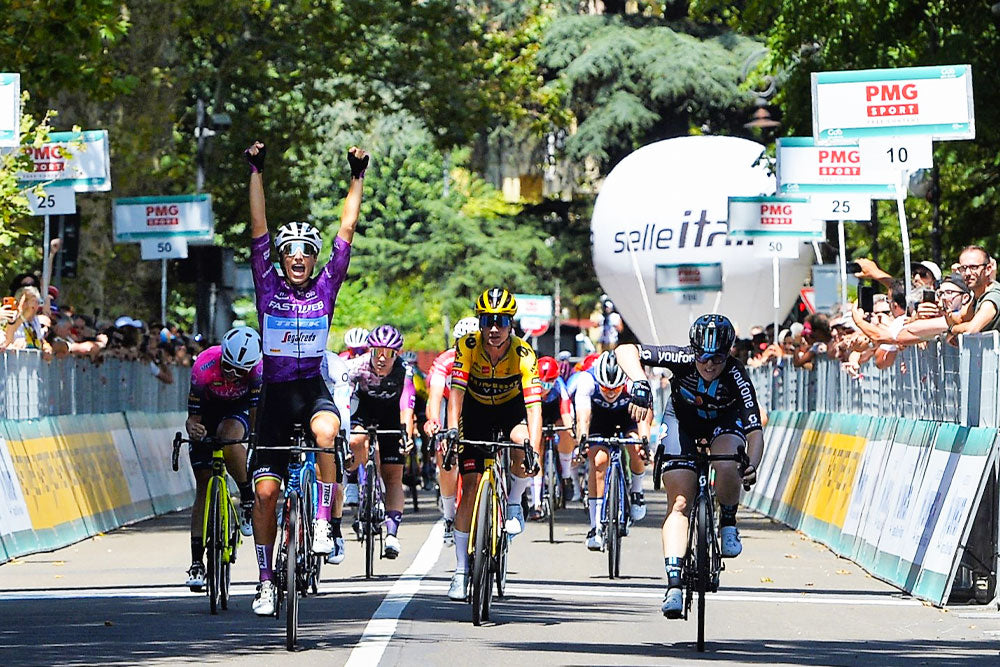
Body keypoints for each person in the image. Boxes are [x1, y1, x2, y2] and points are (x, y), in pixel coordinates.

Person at [244, 139, 368, 617]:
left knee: (327, 432)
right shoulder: (267, 284)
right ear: (282, 257)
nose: (297, 258)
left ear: (314, 260)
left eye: (305, 253)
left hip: (310, 389)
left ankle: (322, 522)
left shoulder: (326, 287)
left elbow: (348, 228)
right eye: (290, 252)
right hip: (275, 396)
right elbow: (258, 227)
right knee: (266, 494)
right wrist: (256, 170)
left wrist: (357, 176)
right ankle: (265, 581)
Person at [614, 314, 763, 618]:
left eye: (718, 358)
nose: (709, 365)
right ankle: (673, 585)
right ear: (693, 351)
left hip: (723, 424)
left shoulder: (737, 375)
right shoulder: (680, 358)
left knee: (730, 461)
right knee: (680, 500)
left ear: (729, 353)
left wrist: (752, 464)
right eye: (703, 357)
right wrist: (640, 382)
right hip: (681, 422)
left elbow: (754, 430)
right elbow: (625, 350)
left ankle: (729, 522)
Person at [442, 288, 542, 601]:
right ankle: (460, 571)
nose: (494, 329)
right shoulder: (467, 346)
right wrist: (450, 433)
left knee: (522, 447)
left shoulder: (524, 354)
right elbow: (456, 394)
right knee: (469, 489)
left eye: (501, 321)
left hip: (510, 412)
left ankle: (514, 501)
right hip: (476, 412)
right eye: (487, 321)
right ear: (480, 322)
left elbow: (534, 408)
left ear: (511, 324)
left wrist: (534, 449)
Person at [183, 326, 263, 590]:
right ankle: (196, 562)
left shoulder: (258, 372)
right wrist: (192, 427)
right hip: (208, 410)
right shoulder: (204, 364)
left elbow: (254, 417)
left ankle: (246, 496)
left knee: (229, 438)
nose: (232, 375)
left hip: (236, 412)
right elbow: (192, 417)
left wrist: (254, 444)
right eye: (228, 367)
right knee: (204, 487)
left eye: (240, 372)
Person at [344, 325, 416, 559]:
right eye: (377, 352)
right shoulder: (357, 366)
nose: (382, 358)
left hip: (391, 417)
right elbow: (342, 397)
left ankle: (392, 534)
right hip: (362, 412)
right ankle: (354, 479)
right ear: (370, 350)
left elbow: (406, 406)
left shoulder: (404, 371)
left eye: (389, 353)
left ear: (398, 353)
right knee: (357, 441)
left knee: (393, 476)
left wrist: (406, 435)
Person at [573, 351, 651, 550]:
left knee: (635, 446)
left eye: (615, 388)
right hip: (598, 421)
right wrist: (582, 440)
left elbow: (644, 417)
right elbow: (583, 417)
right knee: (598, 461)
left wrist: (644, 442)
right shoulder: (586, 380)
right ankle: (595, 526)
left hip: (628, 418)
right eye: (606, 388)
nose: (610, 393)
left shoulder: (633, 383)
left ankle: (637, 491)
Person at [423, 316, 480, 544]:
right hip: (451, 405)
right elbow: (435, 397)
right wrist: (434, 422)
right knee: (445, 453)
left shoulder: (491, 359)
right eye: (461, 344)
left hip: (480, 405)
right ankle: (448, 515)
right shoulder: (445, 361)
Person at [320, 347, 353, 565]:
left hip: (332, 418)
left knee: (335, 481)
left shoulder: (334, 365)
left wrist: (345, 442)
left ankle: (336, 531)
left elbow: (343, 407)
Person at [534, 355, 579, 506]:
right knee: (536, 445)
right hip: (537, 411)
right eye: (541, 384)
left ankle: (566, 475)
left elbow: (566, 411)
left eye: (548, 385)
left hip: (555, 412)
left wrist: (570, 431)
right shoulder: (529, 385)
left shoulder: (560, 386)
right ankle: (536, 502)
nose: (543, 389)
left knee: (566, 431)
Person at [946, 246, 1000, 336]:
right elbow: (961, 320)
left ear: (988, 269)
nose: (967, 273)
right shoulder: (976, 297)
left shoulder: (993, 297)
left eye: (974, 267)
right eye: (963, 268)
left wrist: (952, 330)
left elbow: (972, 328)